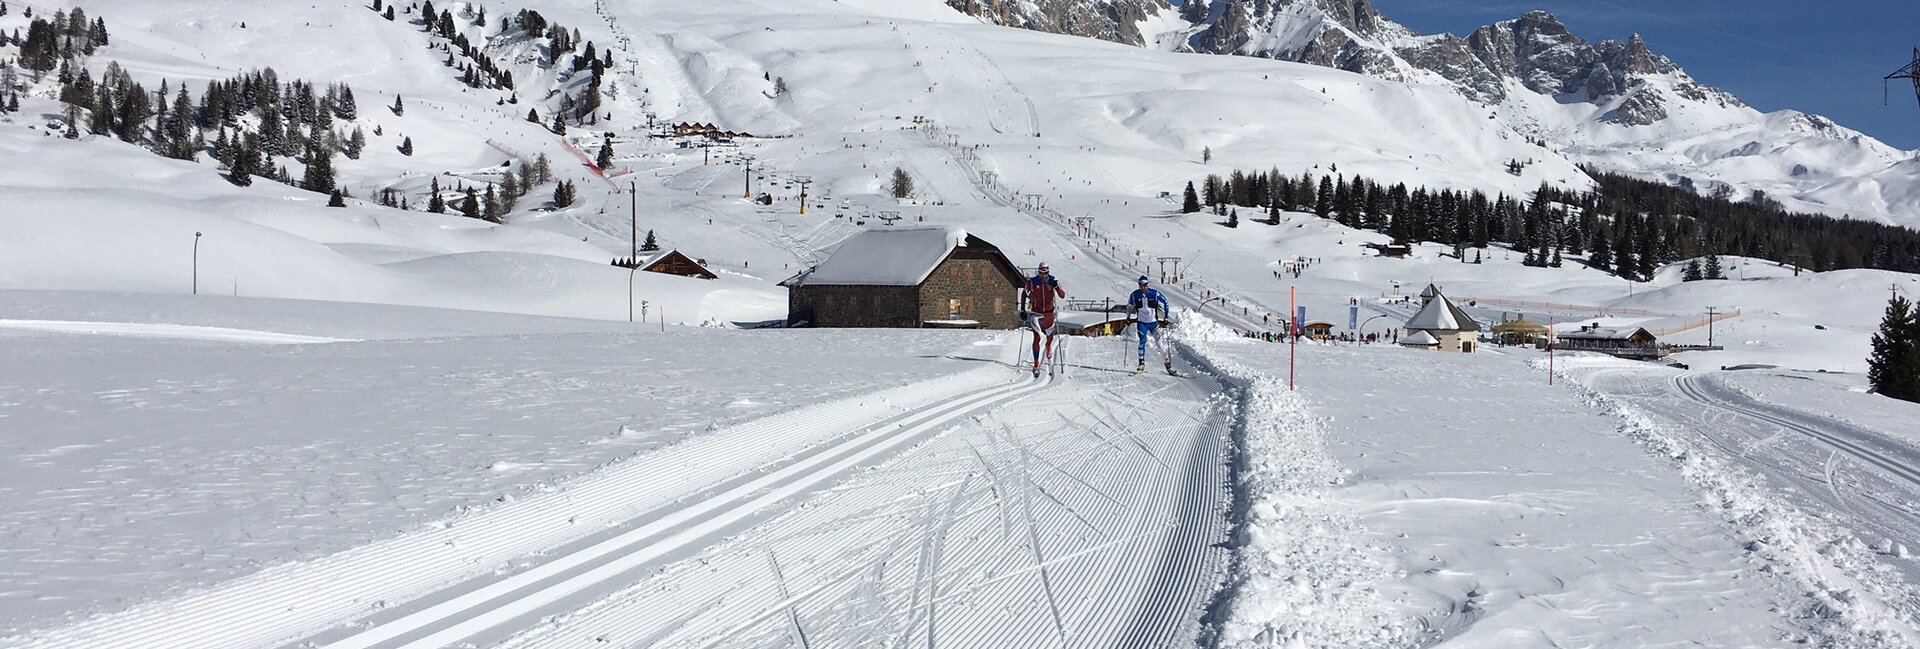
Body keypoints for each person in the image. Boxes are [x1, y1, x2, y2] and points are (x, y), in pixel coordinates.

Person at [1020, 262, 1066, 376]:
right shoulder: (1032, 282)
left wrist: (1056, 287)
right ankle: (1036, 363)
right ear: (1038, 272)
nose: (1044, 276)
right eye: (1041, 273)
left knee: (1049, 337)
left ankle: (1048, 345)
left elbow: (1062, 295)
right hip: (1036, 313)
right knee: (1036, 338)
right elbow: (1024, 294)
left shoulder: (1053, 280)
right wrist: (1022, 310)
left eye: (1046, 273)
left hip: (1049, 314)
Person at [1127, 275, 1173, 374]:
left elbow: (1166, 302)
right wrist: (1128, 317)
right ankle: (1141, 363)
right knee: (1142, 341)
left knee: (1160, 345)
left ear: (1148, 285)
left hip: (1154, 323)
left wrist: (1165, 317)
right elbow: (1129, 306)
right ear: (1138, 285)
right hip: (1142, 323)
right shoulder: (1134, 295)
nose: (1143, 287)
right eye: (1141, 285)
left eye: (1145, 285)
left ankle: (1168, 366)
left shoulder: (1154, 293)